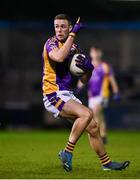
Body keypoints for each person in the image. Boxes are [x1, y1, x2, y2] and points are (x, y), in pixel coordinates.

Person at [42, 14, 130, 172]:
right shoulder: (51, 43)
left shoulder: (75, 48)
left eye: (63, 26)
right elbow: (60, 57)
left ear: (69, 27)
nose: (59, 29)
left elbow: (83, 81)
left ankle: (106, 164)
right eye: (56, 26)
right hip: (52, 93)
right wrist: (73, 33)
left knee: (94, 127)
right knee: (87, 113)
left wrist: (89, 69)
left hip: (67, 94)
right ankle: (67, 152)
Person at [77, 46, 121, 144]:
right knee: (97, 117)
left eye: (97, 52)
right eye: (93, 52)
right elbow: (83, 79)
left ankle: (98, 136)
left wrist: (116, 92)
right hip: (91, 96)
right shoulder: (88, 66)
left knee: (96, 113)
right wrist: (79, 87)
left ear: (100, 53)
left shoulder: (105, 66)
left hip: (102, 95)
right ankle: (103, 135)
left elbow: (112, 80)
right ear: (91, 53)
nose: (95, 54)